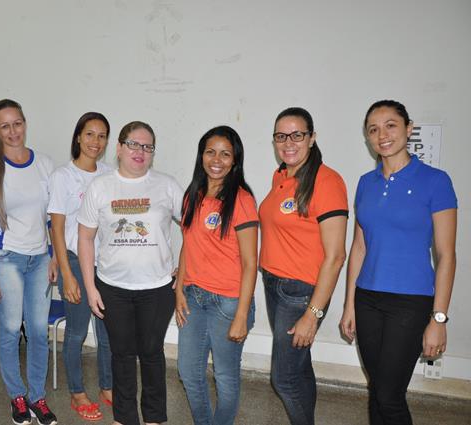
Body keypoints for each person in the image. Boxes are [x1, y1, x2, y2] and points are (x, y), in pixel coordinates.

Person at [339, 100, 457, 425]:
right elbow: (359, 247)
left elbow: (446, 254)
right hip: (367, 299)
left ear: (409, 128)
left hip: (410, 302)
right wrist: (349, 305)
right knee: (377, 390)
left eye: (390, 125)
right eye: (373, 129)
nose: (382, 135)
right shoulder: (366, 183)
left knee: (389, 397)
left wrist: (439, 318)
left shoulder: (435, 181)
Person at [77, 121, 183, 425]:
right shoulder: (100, 187)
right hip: (112, 287)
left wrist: (185, 270)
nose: (140, 151)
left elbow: (194, 228)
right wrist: (90, 287)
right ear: (120, 148)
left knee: (151, 353)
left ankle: (154, 418)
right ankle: (124, 418)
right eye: (134, 144)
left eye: (147, 146)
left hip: (157, 288)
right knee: (121, 354)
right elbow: (85, 238)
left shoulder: (167, 185)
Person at [258, 107, 348, 425]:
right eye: (281, 136)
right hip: (274, 284)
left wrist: (313, 313)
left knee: (284, 378)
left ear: (312, 138)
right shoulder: (281, 175)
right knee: (299, 369)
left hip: (300, 294)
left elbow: (336, 256)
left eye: (297, 135)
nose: (288, 142)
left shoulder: (327, 181)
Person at [0, 99, 57, 425]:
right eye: (5, 126)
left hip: (39, 259)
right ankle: (17, 396)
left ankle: (37, 396)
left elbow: (52, 218)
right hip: (5, 259)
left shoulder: (45, 164)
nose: (13, 131)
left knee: (38, 331)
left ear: (25, 123)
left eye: (17, 123)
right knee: (9, 329)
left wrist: (54, 256)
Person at [175, 126, 258, 425]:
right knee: (188, 371)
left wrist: (242, 316)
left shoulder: (241, 199)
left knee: (225, 376)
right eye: (210, 152)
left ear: (235, 160)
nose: (217, 160)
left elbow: (250, 262)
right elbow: (188, 244)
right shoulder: (192, 194)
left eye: (225, 154)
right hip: (193, 297)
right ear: (201, 156)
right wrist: (179, 289)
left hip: (229, 302)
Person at [48, 112, 113, 421]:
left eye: (101, 136)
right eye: (89, 134)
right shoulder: (63, 176)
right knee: (76, 332)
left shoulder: (110, 174)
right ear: (78, 137)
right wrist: (67, 273)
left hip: (107, 265)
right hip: (74, 261)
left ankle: (108, 387)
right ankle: (77, 393)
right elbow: (57, 229)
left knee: (107, 333)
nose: (95, 142)